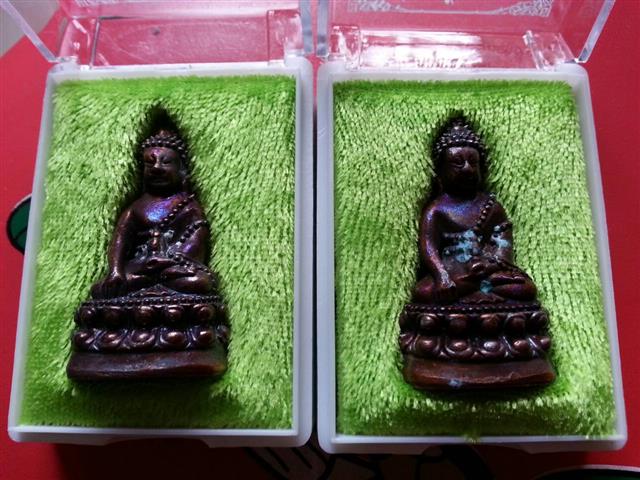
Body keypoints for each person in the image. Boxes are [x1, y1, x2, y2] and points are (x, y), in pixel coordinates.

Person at [413, 117, 536, 305]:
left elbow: (503, 243)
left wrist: (489, 264)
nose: (467, 169)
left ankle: (476, 293)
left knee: (525, 288)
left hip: (486, 271)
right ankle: (479, 294)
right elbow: (428, 246)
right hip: (453, 274)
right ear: (441, 171)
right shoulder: (436, 210)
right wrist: (442, 275)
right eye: (458, 163)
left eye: (473, 162)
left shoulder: (491, 206)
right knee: (423, 292)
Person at [91, 125, 214, 299]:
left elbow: (196, 240)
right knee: (101, 289)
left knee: (200, 282)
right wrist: (116, 271)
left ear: (182, 170)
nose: (157, 168)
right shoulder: (136, 208)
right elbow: (120, 241)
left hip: (174, 268)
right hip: (141, 268)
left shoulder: (189, 206)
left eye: (166, 162)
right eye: (150, 163)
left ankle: (152, 293)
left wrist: (170, 260)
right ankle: (152, 292)